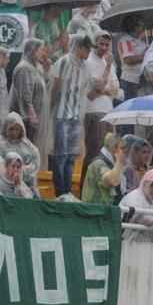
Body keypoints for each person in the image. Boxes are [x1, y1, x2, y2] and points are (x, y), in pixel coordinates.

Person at [50, 34, 92, 196]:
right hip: (61, 115)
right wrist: (51, 110)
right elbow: (55, 87)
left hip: (75, 116)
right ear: (79, 47)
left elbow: (82, 91)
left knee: (71, 157)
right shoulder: (63, 61)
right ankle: (60, 192)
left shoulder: (84, 67)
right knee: (60, 156)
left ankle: (67, 192)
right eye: (87, 48)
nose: (89, 52)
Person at [83, 30, 119, 173]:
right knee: (94, 151)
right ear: (95, 44)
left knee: (108, 151)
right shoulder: (89, 61)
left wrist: (103, 89)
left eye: (107, 45)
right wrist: (107, 71)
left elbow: (116, 88)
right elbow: (95, 91)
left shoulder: (107, 61)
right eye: (101, 44)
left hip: (108, 111)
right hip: (93, 111)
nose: (104, 48)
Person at [0, 111, 40, 192]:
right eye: (11, 129)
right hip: (2, 182)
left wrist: (23, 170)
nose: (14, 132)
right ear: (6, 128)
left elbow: (35, 163)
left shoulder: (27, 145)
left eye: (17, 129)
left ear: (21, 129)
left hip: (24, 182)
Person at [82, 133, 126, 204]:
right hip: (96, 211)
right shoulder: (99, 163)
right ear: (115, 148)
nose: (125, 152)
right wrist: (119, 160)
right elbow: (112, 181)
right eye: (122, 148)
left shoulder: (111, 162)